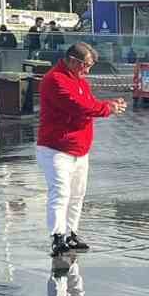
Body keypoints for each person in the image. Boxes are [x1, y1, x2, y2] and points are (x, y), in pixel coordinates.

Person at [37, 42, 126, 256]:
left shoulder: (80, 82)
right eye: (85, 65)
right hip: (56, 148)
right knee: (60, 193)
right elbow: (78, 106)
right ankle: (57, 236)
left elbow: (89, 103)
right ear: (72, 60)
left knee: (77, 194)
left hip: (79, 149)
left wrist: (108, 104)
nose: (87, 71)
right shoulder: (54, 80)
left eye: (90, 66)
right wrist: (108, 108)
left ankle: (71, 233)